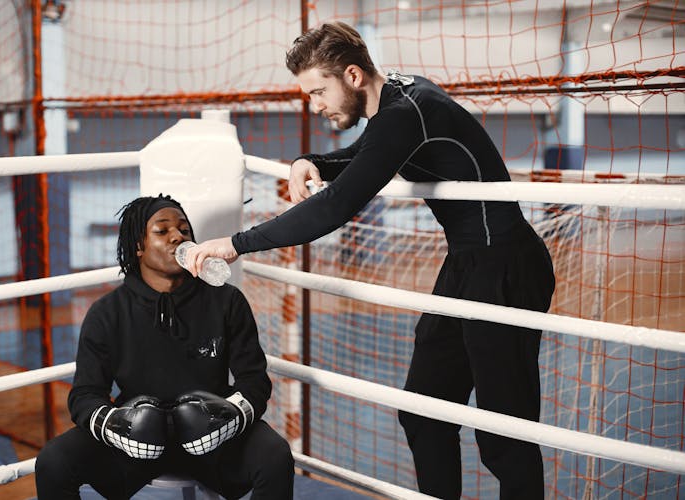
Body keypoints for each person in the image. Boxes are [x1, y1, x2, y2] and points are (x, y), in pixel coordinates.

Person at [184, 22, 555, 500]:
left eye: (319, 91)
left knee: (504, 435)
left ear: (354, 76)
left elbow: (335, 207)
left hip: (506, 267)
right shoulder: (397, 100)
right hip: (467, 264)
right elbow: (365, 155)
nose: (315, 105)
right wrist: (310, 159)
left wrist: (235, 243)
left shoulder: (406, 114)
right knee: (423, 412)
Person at [34, 194, 294, 499]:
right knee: (54, 461)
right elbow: (84, 394)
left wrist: (232, 416)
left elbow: (254, 380)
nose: (177, 236)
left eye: (184, 230)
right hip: (138, 439)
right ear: (139, 247)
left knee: (275, 457)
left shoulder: (226, 300)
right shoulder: (108, 312)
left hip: (213, 434)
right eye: (162, 230)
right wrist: (115, 424)